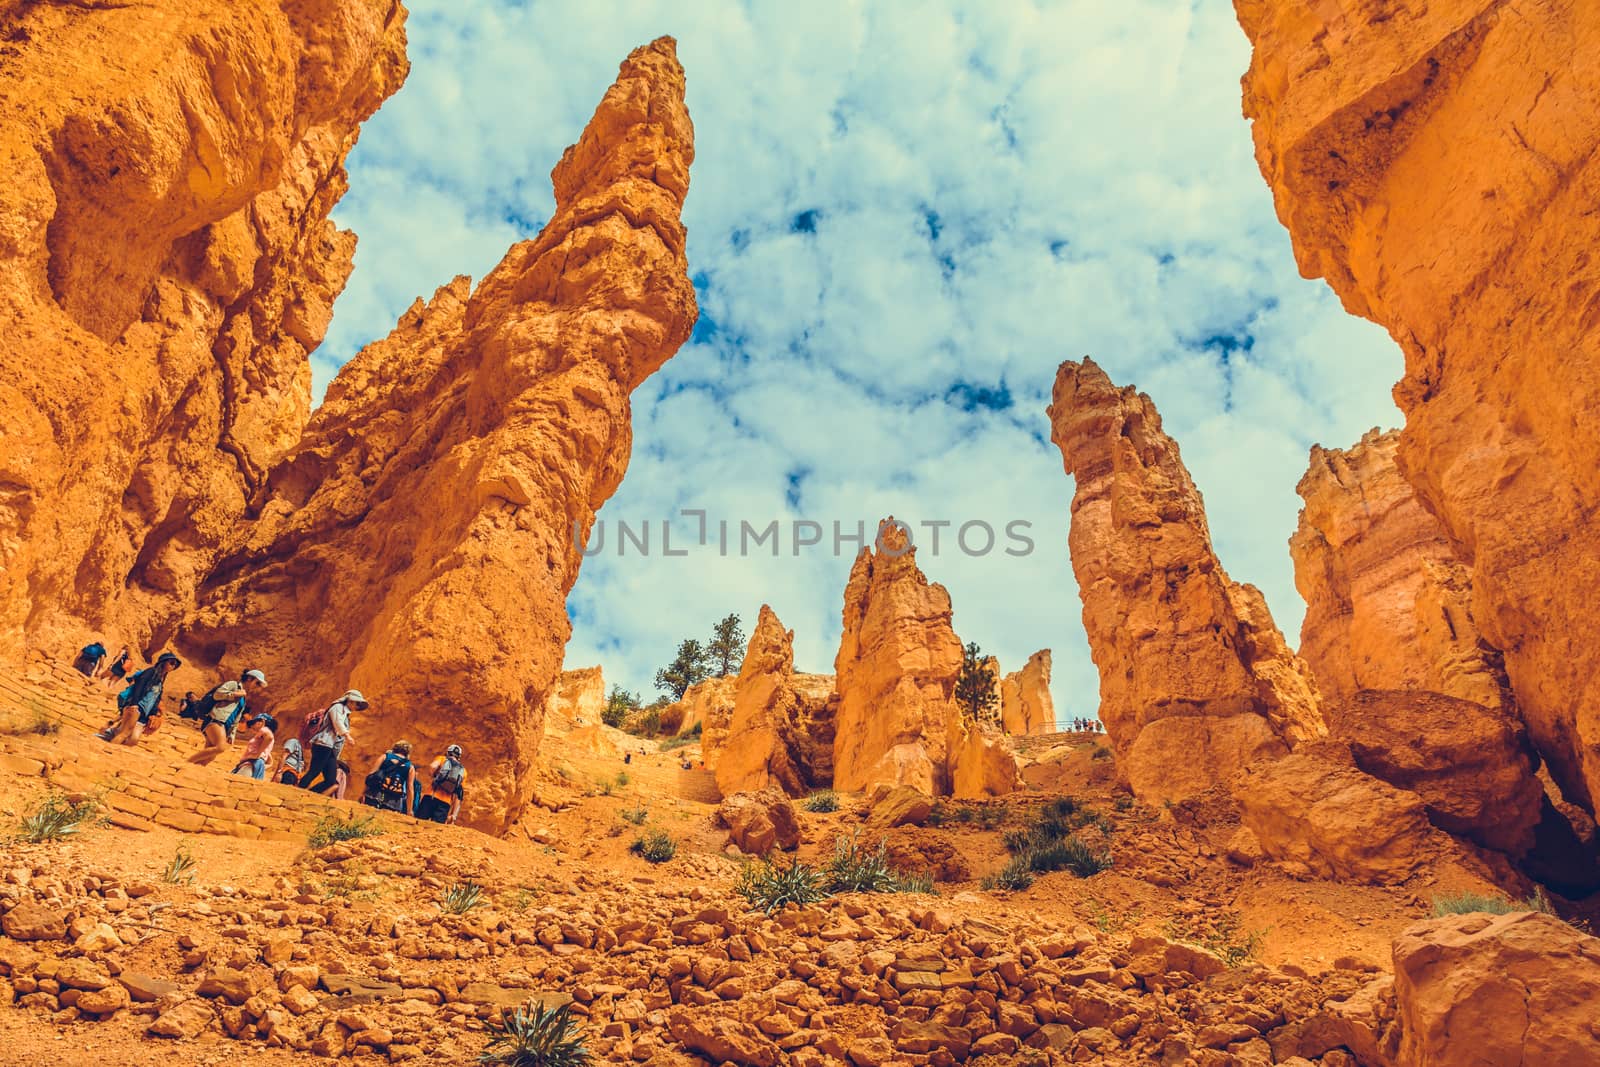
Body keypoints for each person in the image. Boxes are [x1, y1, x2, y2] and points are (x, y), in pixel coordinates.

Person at [106, 652, 180, 745]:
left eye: (175, 665)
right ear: (163, 662)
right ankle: (110, 747)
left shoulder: (161, 678)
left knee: (134, 740)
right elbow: (139, 687)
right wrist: (134, 703)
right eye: (172, 662)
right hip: (137, 707)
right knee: (125, 733)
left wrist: (153, 714)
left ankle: (112, 733)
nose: (173, 666)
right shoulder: (151, 672)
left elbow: (156, 698)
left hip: (145, 713)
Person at [299, 690, 365, 793]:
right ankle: (298, 790)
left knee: (330, 780)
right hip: (323, 743)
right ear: (350, 701)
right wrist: (347, 736)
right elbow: (337, 723)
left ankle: (309, 793)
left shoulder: (345, 713)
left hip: (330, 747)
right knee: (314, 771)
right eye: (357, 703)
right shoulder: (338, 707)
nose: (357, 707)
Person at [188, 680, 245, 766]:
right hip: (216, 719)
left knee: (209, 757)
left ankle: (190, 769)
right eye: (257, 683)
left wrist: (232, 734)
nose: (258, 687)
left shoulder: (244, 699)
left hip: (225, 725)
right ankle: (186, 763)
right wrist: (235, 694)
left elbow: (237, 717)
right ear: (249, 679)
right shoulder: (234, 685)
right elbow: (217, 695)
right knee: (220, 747)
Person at [416, 744, 466, 824]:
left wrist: (434, 776)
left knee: (419, 822)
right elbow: (459, 796)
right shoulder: (463, 771)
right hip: (445, 803)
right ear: (459, 756)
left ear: (448, 752)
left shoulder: (442, 759)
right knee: (435, 828)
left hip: (431, 796)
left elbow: (432, 766)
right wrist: (453, 815)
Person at [364, 740, 415, 813]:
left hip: (374, 794)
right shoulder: (410, 767)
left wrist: (363, 793)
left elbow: (371, 776)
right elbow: (410, 788)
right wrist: (409, 810)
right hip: (394, 801)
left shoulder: (385, 757)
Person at [230, 713, 277, 779]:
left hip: (251, 765)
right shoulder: (265, 735)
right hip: (256, 765)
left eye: (254, 723)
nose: (252, 726)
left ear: (262, 721)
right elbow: (270, 761)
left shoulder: (264, 729)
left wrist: (257, 755)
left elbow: (269, 737)